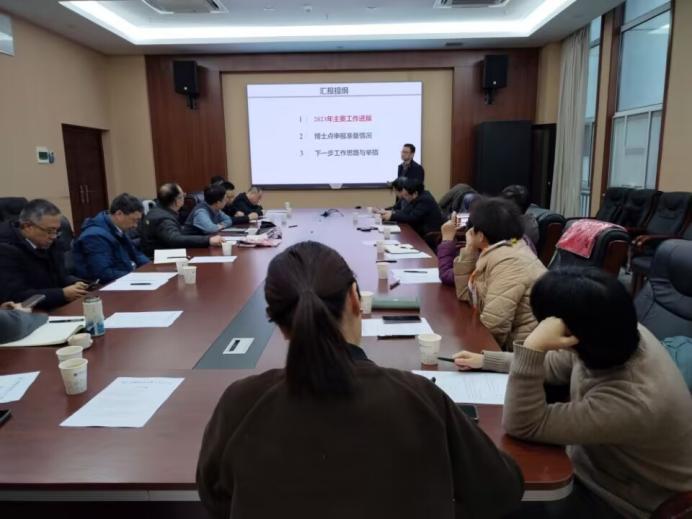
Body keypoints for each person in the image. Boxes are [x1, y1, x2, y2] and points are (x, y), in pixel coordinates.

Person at [197, 241, 524, 519]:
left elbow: (214, 498)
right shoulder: (418, 396)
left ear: (280, 325)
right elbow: (501, 490)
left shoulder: (240, 402)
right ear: (355, 299)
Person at [454, 268, 692, 519]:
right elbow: (555, 365)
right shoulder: (611, 333)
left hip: (617, 500)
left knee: (480, 502)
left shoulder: (635, 401)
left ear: (571, 335)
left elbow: (524, 424)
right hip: (586, 461)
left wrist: (533, 347)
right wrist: (488, 361)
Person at [447, 197, 545, 350]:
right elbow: (466, 295)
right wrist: (469, 250)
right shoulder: (507, 247)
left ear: (481, 235)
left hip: (526, 350)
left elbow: (495, 325)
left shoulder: (509, 261)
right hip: (518, 343)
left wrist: (478, 354)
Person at [0, 199, 88, 310]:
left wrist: (75, 283)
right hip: (29, 313)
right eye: (49, 231)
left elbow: (60, 276)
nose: (53, 236)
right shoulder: (5, 251)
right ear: (28, 227)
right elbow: (15, 296)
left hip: (57, 307)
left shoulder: (51, 244)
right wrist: (61, 294)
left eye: (56, 231)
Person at [73, 194, 150, 284]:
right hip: (106, 286)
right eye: (134, 220)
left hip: (125, 278)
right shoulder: (95, 236)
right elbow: (103, 274)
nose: (135, 225)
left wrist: (150, 267)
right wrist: (137, 276)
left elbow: (135, 254)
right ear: (119, 214)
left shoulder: (117, 228)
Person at [139, 183, 223, 257]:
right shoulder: (164, 218)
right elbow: (175, 239)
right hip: (160, 261)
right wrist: (209, 240)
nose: (184, 197)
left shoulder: (157, 211)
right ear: (177, 201)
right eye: (183, 195)